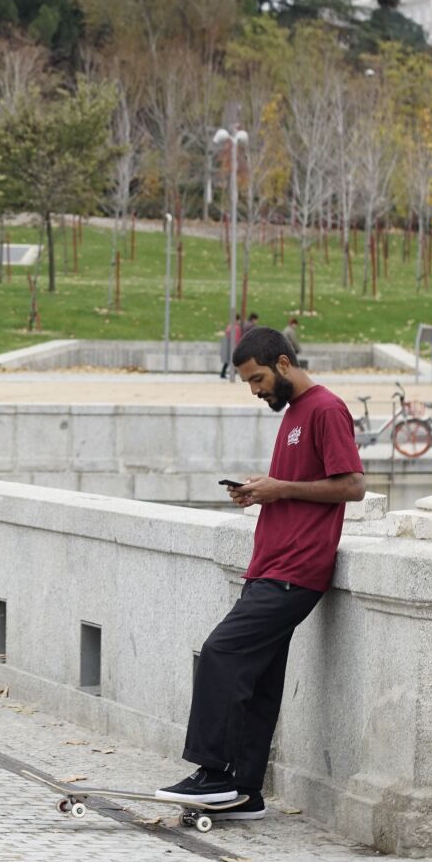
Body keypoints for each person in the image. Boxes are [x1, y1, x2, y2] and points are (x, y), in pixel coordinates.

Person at [156, 327, 364, 819]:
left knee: (220, 654)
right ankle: (245, 791)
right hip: (272, 562)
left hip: (298, 567)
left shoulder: (327, 409)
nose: (255, 390)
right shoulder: (293, 413)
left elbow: (352, 485)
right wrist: (261, 491)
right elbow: (297, 485)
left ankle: (211, 773)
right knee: (259, 681)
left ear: (285, 364)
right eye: (250, 383)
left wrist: (282, 488)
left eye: (258, 379)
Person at [219, 314, 244, 379]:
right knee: (234, 360)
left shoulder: (229, 326)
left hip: (229, 346)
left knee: (227, 361)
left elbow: (227, 336)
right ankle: (229, 373)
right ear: (237, 320)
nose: (239, 322)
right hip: (234, 346)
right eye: (238, 320)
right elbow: (237, 338)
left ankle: (223, 373)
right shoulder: (236, 328)